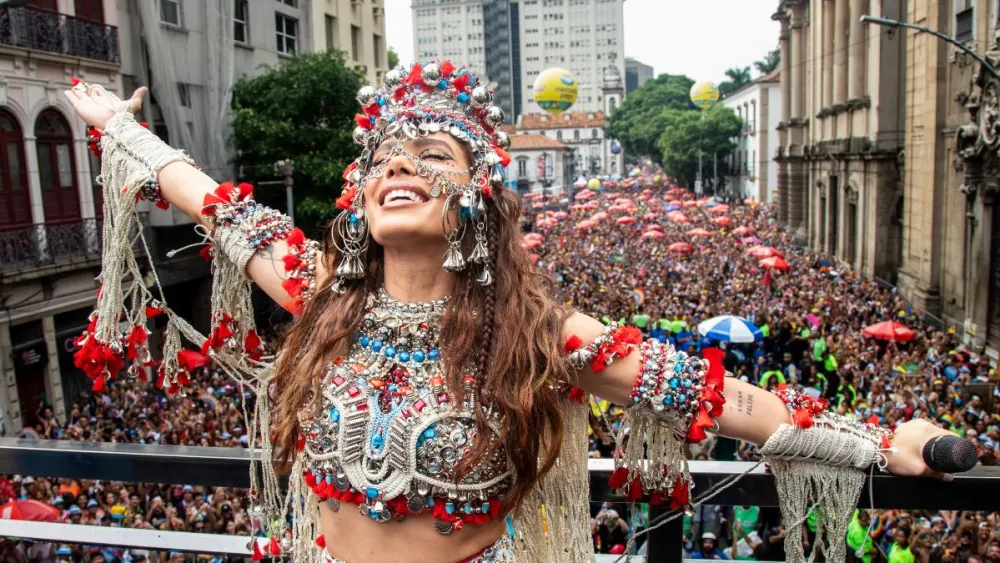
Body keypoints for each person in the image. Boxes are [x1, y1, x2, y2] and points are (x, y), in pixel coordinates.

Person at [65, 61, 950, 563]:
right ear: (360, 193)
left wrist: (880, 443)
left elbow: (717, 397)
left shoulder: (540, 334)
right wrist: (120, 128)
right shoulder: (323, 288)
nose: (397, 165)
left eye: (431, 153)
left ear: (480, 197)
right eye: (381, 158)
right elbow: (216, 205)